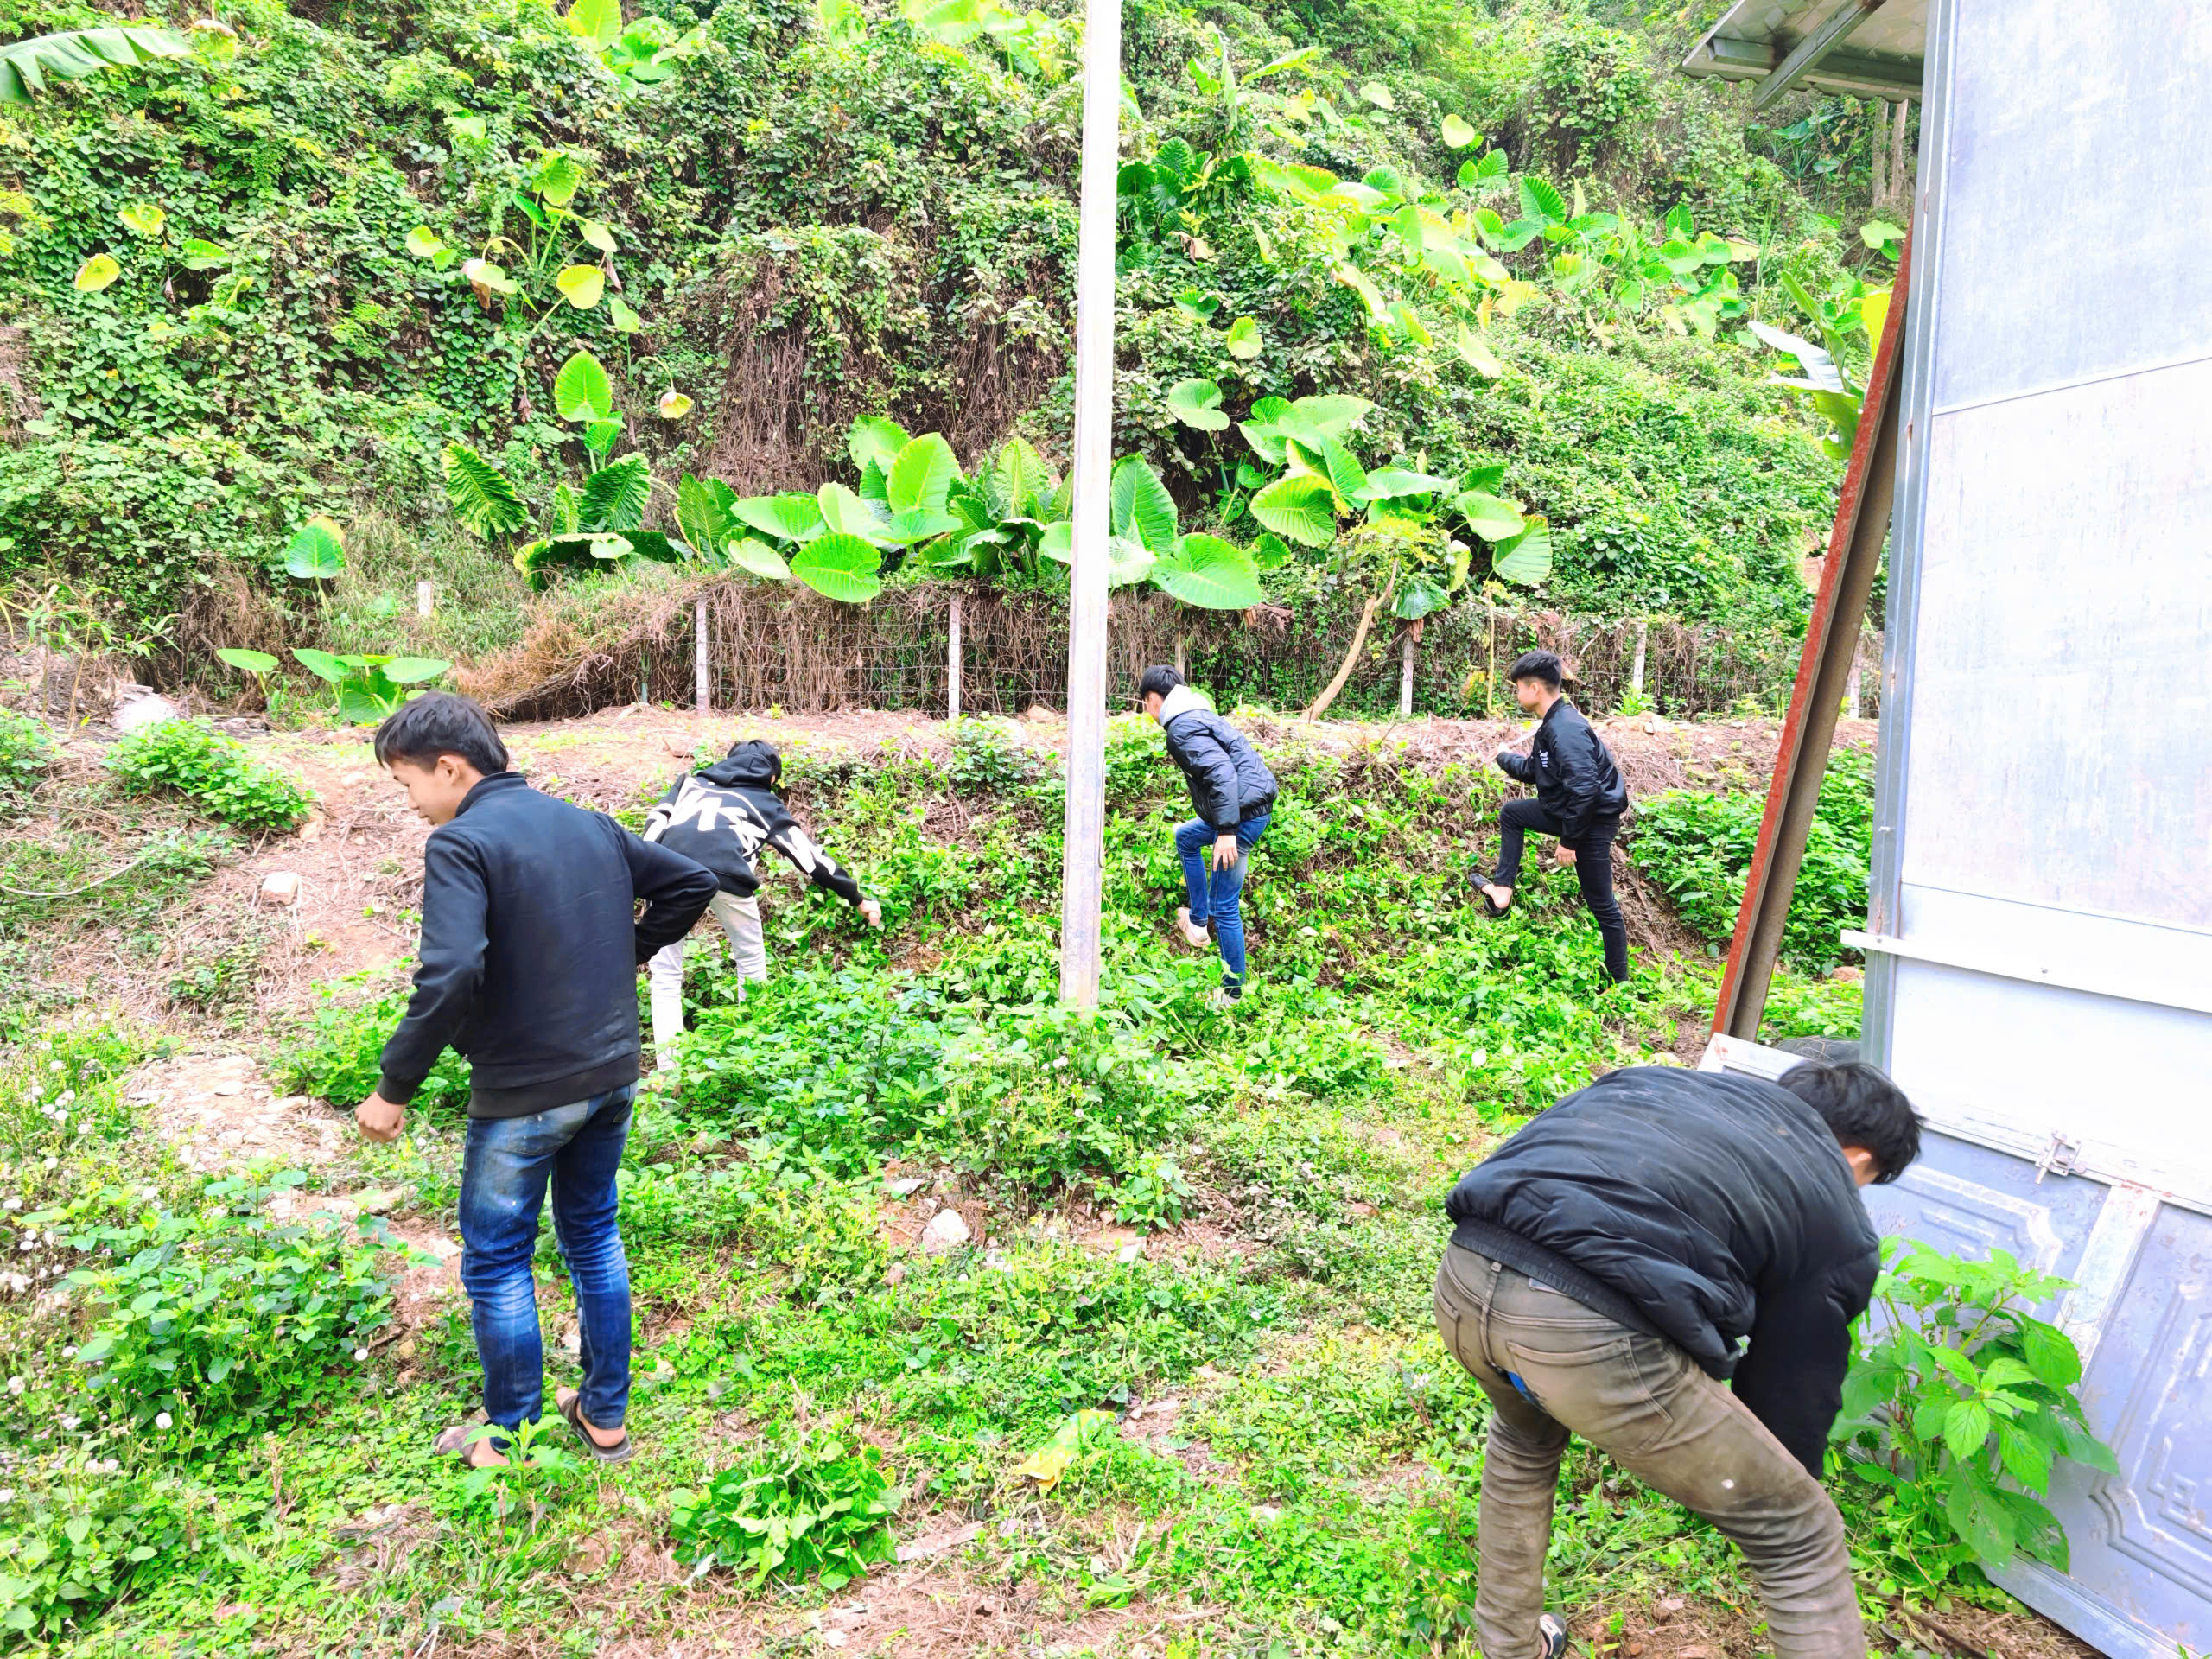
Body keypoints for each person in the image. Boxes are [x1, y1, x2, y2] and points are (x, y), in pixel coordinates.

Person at [1435, 1061, 1923, 1659]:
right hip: (1585, 1325)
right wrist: (1771, 1488)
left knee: (1523, 1440)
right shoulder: (1831, 1198)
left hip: (1464, 1273)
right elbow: (1790, 1387)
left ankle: (1509, 1648)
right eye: (1869, 1180)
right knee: (1801, 1533)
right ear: (1857, 1157)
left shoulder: (1656, 1083)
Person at [353, 693, 717, 1468]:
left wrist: (394, 1088)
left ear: (450, 768)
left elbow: (449, 972)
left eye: (406, 783)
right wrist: (627, 952)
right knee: (592, 1233)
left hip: (526, 1091)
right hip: (612, 1073)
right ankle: (604, 1417)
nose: (412, 803)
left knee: (496, 1257)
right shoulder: (582, 822)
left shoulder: (462, 844)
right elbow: (689, 881)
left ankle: (511, 1435)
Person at [639, 738, 881, 1068]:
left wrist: (640, 875)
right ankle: (748, 1054)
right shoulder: (765, 802)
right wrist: (857, 897)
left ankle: (670, 1074)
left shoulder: (688, 784)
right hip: (728, 877)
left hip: (669, 874)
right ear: (772, 779)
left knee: (665, 975)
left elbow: (655, 824)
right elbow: (808, 857)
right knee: (750, 960)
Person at [1476, 649, 1631, 984]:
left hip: (1590, 821)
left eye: (1518, 687)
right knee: (1514, 813)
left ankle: (1620, 982)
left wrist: (1568, 842)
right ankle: (1502, 889)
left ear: (1534, 689)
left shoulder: (1566, 729)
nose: (1517, 694)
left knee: (1601, 903)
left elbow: (1587, 789)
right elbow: (1537, 770)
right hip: (1570, 810)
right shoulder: (1552, 725)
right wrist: (1504, 758)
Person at [1137, 666, 1278, 1005]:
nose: (1146, 711)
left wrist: (1227, 832)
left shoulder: (1182, 728)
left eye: (1144, 704)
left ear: (1153, 700)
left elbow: (1221, 773)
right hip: (1240, 808)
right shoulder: (1198, 714)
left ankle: (1232, 995)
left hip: (1242, 817)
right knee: (1186, 837)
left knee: (1225, 905)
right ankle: (1197, 923)